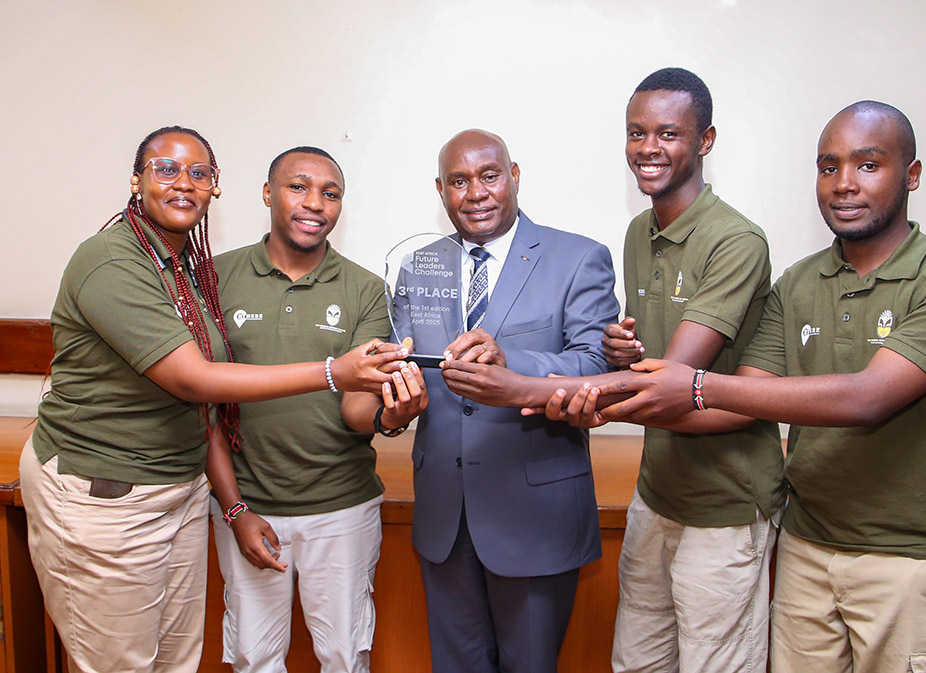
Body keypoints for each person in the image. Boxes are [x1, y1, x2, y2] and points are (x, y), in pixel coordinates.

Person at [560, 101, 926, 673]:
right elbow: (752, 388)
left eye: (868, 166)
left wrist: (691, 386)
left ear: (911, 176)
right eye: (828, 166)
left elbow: (868, 397)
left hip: (907, 555)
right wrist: (641, 386)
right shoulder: (798, 282)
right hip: (806, 540)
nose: (844, 184)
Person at [18, 127, 404, 673]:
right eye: (166, 169)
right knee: (129, 662)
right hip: (106, 494)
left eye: (199, 173)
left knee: (180, 658)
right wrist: (331, 372)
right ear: (137, 179)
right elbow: (197, 383)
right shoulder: (118, 260)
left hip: (180, 491)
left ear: (214, 187)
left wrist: (391, 409)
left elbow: (208, 411)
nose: (184, 184)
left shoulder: (183, 269)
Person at [442, 69, 785, 673]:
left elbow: (669, 385)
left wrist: (517, 386)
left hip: (727, 502)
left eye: (668, 133)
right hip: (658, 491)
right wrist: (621, 348)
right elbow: (642, 357)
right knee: (636, 663)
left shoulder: (736, 241)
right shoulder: (639, 231)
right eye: (636, 132)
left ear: (705, 140)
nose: (648, 147)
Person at [206, 146, 427, 673]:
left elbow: (357, 409)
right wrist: (235, 510)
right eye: (298, 187)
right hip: (248, 507)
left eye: (331, 193)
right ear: (267, 194)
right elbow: (204, 404)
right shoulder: (215, 277)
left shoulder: (366, 288)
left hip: (341, 508)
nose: (316, 203)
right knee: (253, 658)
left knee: (345, 657)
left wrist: (391, 416)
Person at [413, 129, 619, 673]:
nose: (475, 193)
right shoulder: (417, 269)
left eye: (489, 175)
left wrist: (513, 363)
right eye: (459, 181)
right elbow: (412, 374)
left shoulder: (578, 257)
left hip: (534, 515)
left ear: (514, 176)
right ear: (441, 190)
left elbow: (598, 366)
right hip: (443, 515)